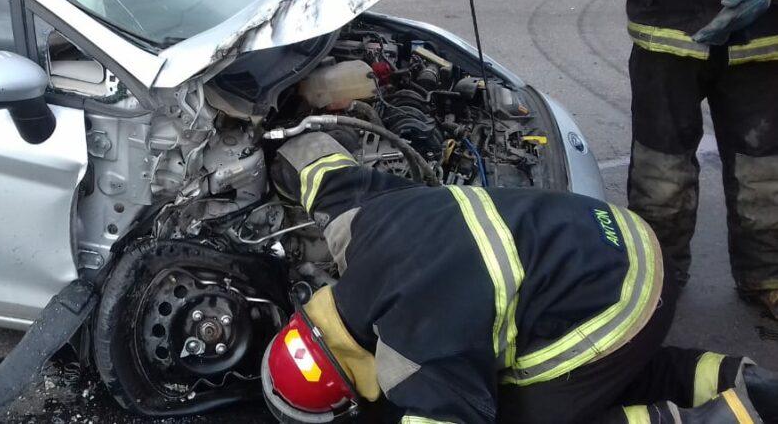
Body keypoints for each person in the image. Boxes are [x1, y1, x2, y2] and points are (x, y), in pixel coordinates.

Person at [259, 132, 778, 424]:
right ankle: (741, 382)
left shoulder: (414, 359)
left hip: (624, 297)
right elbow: (318, 163)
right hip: (615, 230)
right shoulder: (358, 226)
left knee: (520, 415)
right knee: (588, 372)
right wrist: (273, 140)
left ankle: (724, 420)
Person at [604, 0, 778, 315]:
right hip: (669, 36)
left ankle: (767, 278)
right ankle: (658, 280)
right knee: (661, 171)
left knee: (765, 173)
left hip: (760, 41)